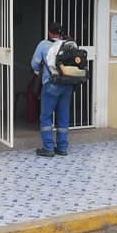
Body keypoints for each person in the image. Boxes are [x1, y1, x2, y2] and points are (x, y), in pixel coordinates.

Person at [31, 21, 73, 157]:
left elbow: (34, 64)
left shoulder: (44, 45)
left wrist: (40, 70)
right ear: (61, 33)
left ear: (49, 32)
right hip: (67, 84)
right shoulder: (67, 45)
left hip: (51, 84)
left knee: (46, 117)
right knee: (63, 116)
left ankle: (48, 147)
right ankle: (62, 147)